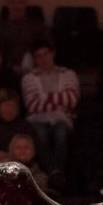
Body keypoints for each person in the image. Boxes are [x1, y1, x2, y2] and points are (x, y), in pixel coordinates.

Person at [21, 38, 79, 177]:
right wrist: (59, 100)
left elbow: (71, 99)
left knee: (61, 133)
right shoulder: (29, 78)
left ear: (52, 54)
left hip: (63, 118)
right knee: (41, 133)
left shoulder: (68, 74)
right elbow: (32, 105)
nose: (43, 59)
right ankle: (51, 171)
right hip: (38, 118)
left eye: (46, 54)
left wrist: (44, 99)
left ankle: (59, 172)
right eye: (38, 56)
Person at [0, 0, 48, 72]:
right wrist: (13, 68)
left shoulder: (38, 27)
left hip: (35, 72)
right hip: (6, 72)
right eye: (12, 2)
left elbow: (48, 51)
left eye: (20, 2)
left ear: (26, 4)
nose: (16, 6)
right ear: (7, 4)